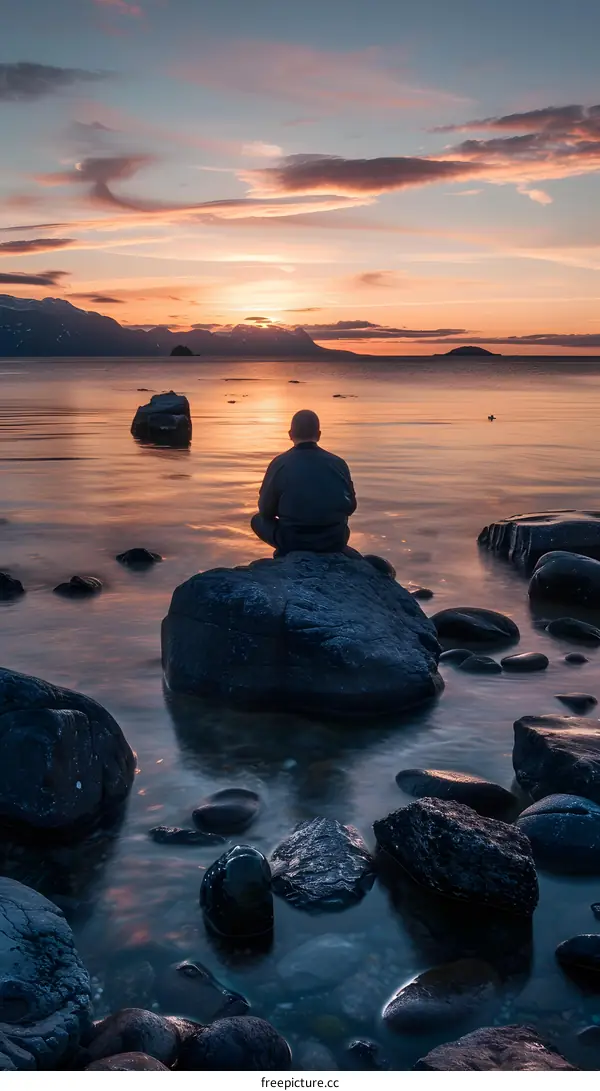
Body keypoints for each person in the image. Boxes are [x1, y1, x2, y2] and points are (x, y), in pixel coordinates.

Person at [251, 409, 357, 556]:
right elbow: (350, 507)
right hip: (334, 540)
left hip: (292, 541)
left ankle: (285, 555)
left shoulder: (279, 463)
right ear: (319, 435)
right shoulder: (338, 464)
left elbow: (265, 510)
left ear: (290, 434)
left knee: (257, 520)